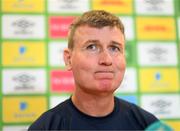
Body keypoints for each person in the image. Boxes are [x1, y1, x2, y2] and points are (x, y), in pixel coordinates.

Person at [28, 10, 159, 130]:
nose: (106, 60)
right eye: (92, 47)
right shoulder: (45, 127)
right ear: (68, 59)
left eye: (114, 48)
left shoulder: (148, 125)